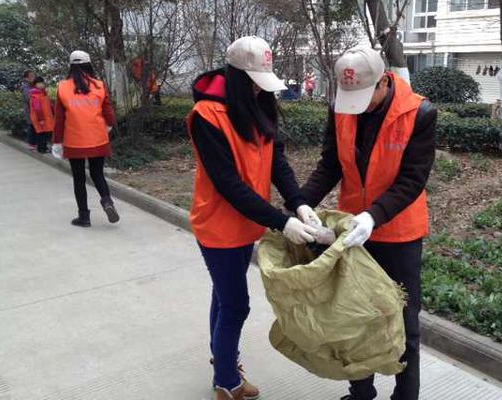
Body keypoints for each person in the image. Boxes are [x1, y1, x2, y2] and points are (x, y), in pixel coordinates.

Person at [299, 46, 437, 400]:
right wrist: (299, 204)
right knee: (354, 316)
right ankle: (361, 393)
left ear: (384, 82)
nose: (356, 105)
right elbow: (330, 164)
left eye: (364, 96)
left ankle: (405, 396)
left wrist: (373, 216)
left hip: (399, 233)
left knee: (403, 322)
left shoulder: (419, 113)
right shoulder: (341, 109)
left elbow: (412, 180)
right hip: (351, 230)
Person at [187, 36, 320, 400]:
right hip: (218, 226)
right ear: (236, 76)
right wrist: (282, 222)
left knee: (224, 294)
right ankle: (227, 382)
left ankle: (223, 361)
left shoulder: (258, 106)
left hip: (247, 224)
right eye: (255, 83)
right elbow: (229, 184)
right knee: (236, 304)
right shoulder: (207, 117)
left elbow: (276, 162)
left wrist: (298, 203)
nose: (262, 91)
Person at [52, 50, 120, 228]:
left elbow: (59, 119)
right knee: (97, 174)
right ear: (88, 64)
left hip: (74, 141)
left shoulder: (62, 87)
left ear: (71, 66)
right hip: (97, 138)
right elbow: (109, 112)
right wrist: (109, 124)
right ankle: (107, 202)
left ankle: (84, 217)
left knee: (79, 178)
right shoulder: (99, 85)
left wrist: (57, 142)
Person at [29, 76, 55, 153]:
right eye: (39, 83)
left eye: (42, 83)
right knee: (42, 134)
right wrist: (41, 119)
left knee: (45, 133)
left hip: (46, 117)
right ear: (35, 85)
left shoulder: (43, 93)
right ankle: (42, 149)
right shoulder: (35, 95)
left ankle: (43, 148)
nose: (41, 85)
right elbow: (37, 109)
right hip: (41, 118)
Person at [21, 70, 37, 150]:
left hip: (36, 110)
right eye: (31, 76)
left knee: (36, 126)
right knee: (31, 126)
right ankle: (32, 143)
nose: (33, 78)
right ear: (26, 78)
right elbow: (28, 98)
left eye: (34, 76)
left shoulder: (35, 86)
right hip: (29, 111)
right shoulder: (25, 87)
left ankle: (36, 143)